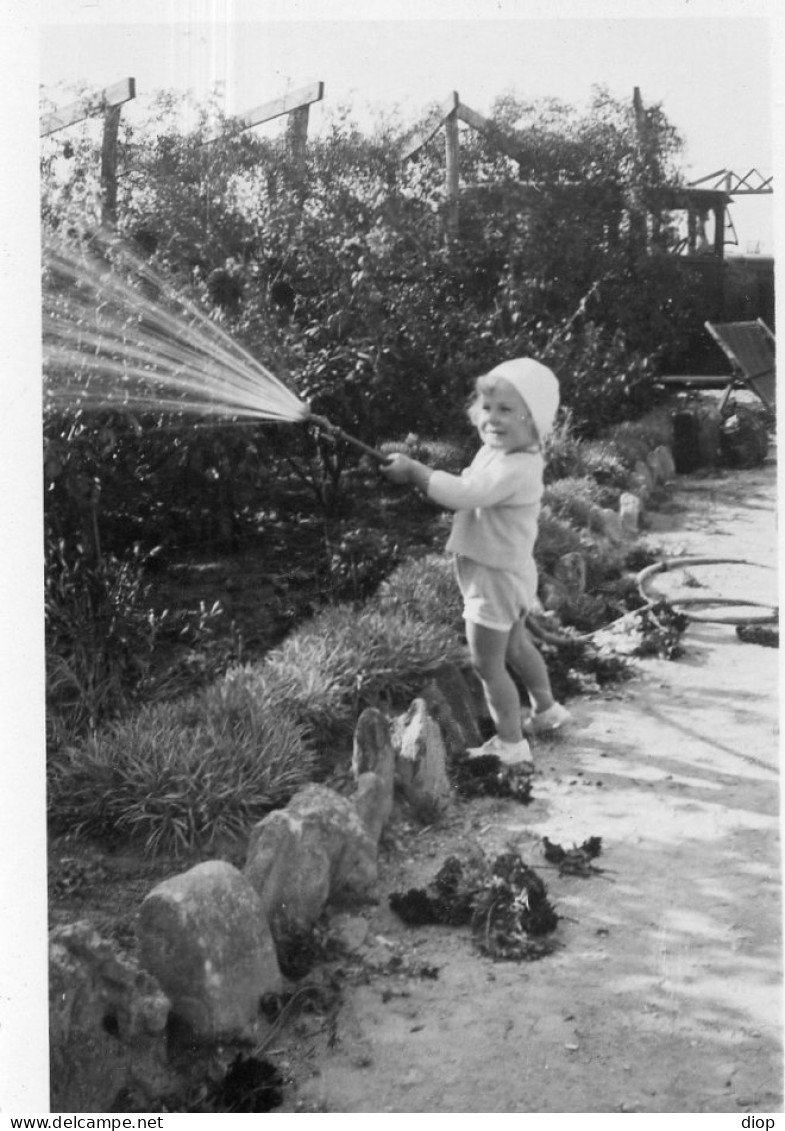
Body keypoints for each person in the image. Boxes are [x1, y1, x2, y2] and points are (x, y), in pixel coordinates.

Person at [381, 357, 569, 771]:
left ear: (535, 421)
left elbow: (467, 492)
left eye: (507, 410)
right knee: (518, 646)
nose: (493, 419)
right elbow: (470, 483)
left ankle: (511, 744)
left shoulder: (515, 467)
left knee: (488, 664)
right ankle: (546, 709)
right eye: (487, 408)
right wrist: (426, 476)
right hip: (510, 572)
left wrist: (416, 472)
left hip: (492, 579)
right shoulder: (502, 453)